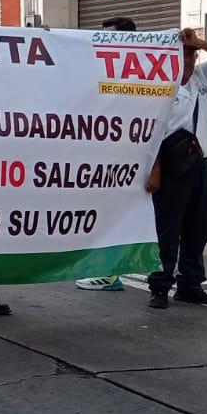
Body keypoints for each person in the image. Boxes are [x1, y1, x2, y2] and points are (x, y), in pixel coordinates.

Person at [146, 27, 207, 309]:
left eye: (192, 54)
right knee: (168, 229)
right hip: (173, 167)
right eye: (183, 54)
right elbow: (151, 131)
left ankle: (190, 283)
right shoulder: (159, 84)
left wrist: (200, 42)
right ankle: (159, 285)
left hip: (204, 165)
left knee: (199, 228)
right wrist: (155, 169)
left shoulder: (203, 77)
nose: (188, 59)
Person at [78, 15, 143, 291]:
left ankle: (110, 272)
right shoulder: (108, 69)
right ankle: (110, 271)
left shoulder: (137, 70)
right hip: (110, 157)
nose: (103, 41)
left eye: (109, 36)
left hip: (129, 159)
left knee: (117, 216)